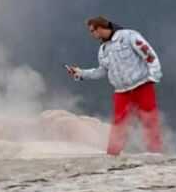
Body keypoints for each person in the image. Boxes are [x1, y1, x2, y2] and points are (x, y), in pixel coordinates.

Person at [66, 16, 163, 155]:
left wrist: (154, 76)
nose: (92, 34)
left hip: (142, 85)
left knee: (149, 120)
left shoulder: (129, 36)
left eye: (92, 30)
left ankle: (155, 154)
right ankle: (113, 156)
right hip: (121, 91)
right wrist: (80, 73)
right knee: (119, 123)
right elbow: (101, 71)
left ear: (100, 28)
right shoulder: (103, 49)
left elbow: (149, 55)